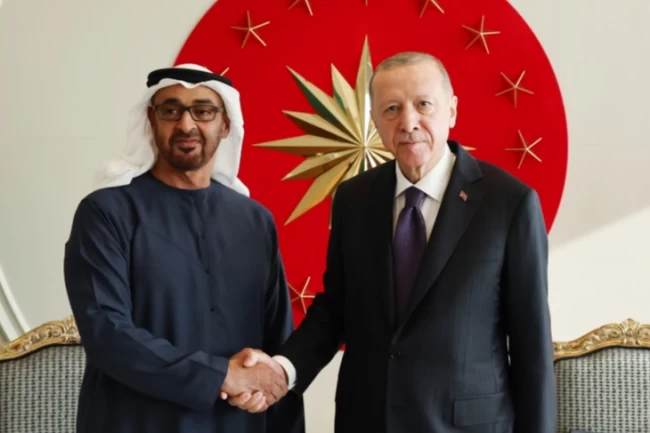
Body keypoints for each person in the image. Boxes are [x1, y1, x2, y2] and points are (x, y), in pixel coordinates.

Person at [227, 52, 556, 432]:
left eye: (423, 105)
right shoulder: (354, 198)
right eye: (392, 109)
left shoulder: (509, 202)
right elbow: (336, 310)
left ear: (451, 110)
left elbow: (531, 343)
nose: (408, 122)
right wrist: (282, 370)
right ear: (376, 121)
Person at [63, 63, 305, 433]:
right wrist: (221, 375)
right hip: (135, 422)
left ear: (226, 125)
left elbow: (277, 339)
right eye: (171, 110)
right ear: (151, 119)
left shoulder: (255, 220)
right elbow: (106, 331)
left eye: (203, 111)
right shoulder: (105, 212)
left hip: (237, 423)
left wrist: (268, 388)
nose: (186, 125)